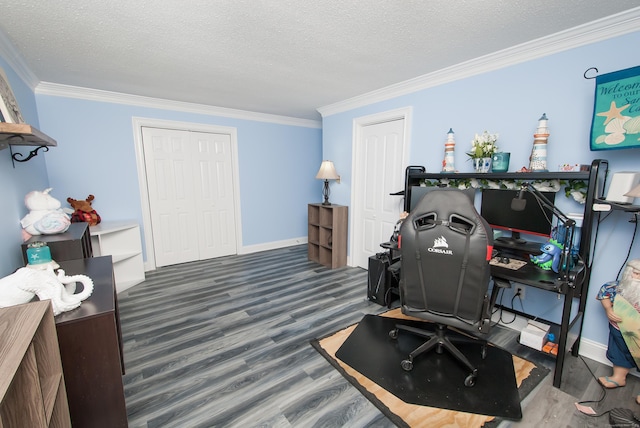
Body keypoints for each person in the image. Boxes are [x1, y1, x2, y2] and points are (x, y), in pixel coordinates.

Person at [596, 259, 640, 404]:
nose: (638, 277)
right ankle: (618, 377)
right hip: (618, 330)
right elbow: (603, 294)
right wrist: (608, 309)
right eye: (637, 274)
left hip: (637, 335)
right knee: (618, 353)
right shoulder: (617, 288)